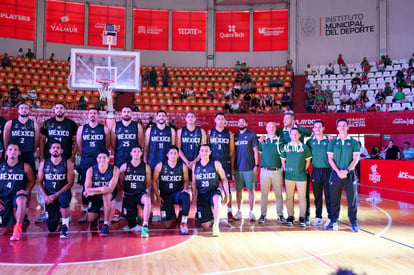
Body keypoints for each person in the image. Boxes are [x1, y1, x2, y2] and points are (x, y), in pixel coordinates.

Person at [37, 102, 77, 223]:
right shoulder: (47, 123)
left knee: (65, 184)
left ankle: (64, 212)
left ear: (65, 109)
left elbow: (77, 141)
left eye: (61, 108)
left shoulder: (71, 124)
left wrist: (73, 156)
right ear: (54, 110)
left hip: (65, 159)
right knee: (46, 184)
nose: (59, 110)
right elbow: (42, 140)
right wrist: (42, 156)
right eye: (57, 108)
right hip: (50, 160)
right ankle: (46, 211)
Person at [76, 108, 110, 223]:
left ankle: (98, 210)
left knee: (99, 184)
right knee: (85, 186)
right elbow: (79, 144)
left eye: (94, 113)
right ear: (87, 115)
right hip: (86, 160)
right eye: (90, 113)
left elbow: (107, 144)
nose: (92, 115)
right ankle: (85, 211)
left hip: (99, 162)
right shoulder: (82, 128)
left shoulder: (104, 129)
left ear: (98, 115)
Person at [111, 105, 144, 221]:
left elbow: (140, 144)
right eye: (124, 111)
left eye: (128, 112)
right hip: (120, 159)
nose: (126, 113)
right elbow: (114, 144)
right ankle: (118, 211)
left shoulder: (137, 126)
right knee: (119, 186)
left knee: (135, 186)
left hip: (134, 160)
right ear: (121, 113)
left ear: (131, 114)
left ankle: (136, 211)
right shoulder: (116, 125)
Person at [326, 118, 360, 232]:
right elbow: (330, 159)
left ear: (348, 127)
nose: (342, 127)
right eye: (340, 125)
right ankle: (333, 220)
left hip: (349, 174)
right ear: (337, 128)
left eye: (344, 125)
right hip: (336, 174)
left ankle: (354, 222)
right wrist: (338, 171)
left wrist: (346, 170)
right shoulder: (332, 142)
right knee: (334, 198)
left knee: (352, 199)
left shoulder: (354, 142)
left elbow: (355, 159)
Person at [37, 142, 74, 238]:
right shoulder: (43, 163)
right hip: (49, 195)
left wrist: (57, 194)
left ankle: (65, 226)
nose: (55, 149)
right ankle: (57, 215)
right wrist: (45, 196)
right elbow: (39, 183)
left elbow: (70, 183)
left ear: (62, 151)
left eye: (58, 148)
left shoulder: (67, 163)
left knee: (63, 198)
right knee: (52, 228)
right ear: (50, 151)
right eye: (53, 147)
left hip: (62, 192)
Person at [192, 144, 229, 236]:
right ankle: (211, 216)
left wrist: (227, 194)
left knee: (217, 200)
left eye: (206, 150)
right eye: (202, 150)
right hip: (202, 194)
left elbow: (224, 179)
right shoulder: (195, 166)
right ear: (199, 152)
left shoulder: (215, 163)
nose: (204, 152)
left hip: (213, 191)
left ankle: (216, 226)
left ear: (210, 152)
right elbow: (193, 184)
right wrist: (194, 199)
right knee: (205, 226)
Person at [0, 144, 35, 241]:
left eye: (15, 150)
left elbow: (32, 180)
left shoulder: (25, 167)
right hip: (3, 198)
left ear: (19, 153)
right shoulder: (1, 165)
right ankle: (11, 221)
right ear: (6, 152)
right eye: (10, 149)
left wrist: (26, 191)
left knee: (22, 199)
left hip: (16, 196)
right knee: (3, 230)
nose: (13, 151)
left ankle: (17, 229)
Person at [152, 146, 190, 235]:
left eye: (175, 153)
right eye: (171, 153)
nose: (173, 155)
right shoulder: (160, 165)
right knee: (168, 225)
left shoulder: (182, 166)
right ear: (167, 155)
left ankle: (184, 223)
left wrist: (185, 189)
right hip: (165, 194)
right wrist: (157, 195)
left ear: (178, 155)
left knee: (186, 196)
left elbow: (187, 180)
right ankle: (173, 215)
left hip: (177, 194)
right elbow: (154, 180)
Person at [83, 149, 119, 237]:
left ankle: (106, 224)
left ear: (108, 159)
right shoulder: (91, 170)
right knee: (90, 219)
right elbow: (87, 188)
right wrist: (101, 189)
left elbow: (110, 189)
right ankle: (97, 215)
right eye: (99, 157)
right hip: (95, 194)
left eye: (104, 157)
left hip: (108, 193)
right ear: (96, 159)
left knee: (106, 196)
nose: (102, 159)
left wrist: (94, 190)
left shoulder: (114, 169)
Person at [281, 128, 312, 228]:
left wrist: (302, 170)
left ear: (299, 135)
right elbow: (283, 161)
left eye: (296, 134)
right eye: (292, 134)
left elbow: (308, 161)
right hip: (289, 177)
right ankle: (290, 216)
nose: (294, 136)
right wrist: (288, 170)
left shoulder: (304, 147)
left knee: (302, 198)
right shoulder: (285, 147)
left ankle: (302, 218)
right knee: (289, 197)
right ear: (290, 135)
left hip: (301, 176)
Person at [119, 145, 152, 237]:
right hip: (129, 195)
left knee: (147, 199)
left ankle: (145, 225)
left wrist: (140, 188)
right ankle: (135, 215)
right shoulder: (125, 166)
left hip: (140, 194)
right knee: (131, 225)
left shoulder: (146, 167)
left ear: (141, 153)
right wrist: (127, 190)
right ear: (131, 153)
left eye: (138, 151)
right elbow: (121, 181)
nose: (136, 153)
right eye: (134, 151)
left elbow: (148, 182)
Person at [208, 113, 235, 221]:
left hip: (225, 164)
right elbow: (207, 148)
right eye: (218, 119)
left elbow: (232, 151)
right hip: (213, 164)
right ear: (215, 120)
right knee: (211, 188)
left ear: (225, 121)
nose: (220, 120)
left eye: (222, 119)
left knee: (227, 188)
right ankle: (210, 211)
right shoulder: (210, 133)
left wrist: (231, 166)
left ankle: (229, 211)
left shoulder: (229, 134)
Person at [257, 122, 285, 224]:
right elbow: (259, 155)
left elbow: (283, 156)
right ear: (266, 128)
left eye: (273, 127)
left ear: (275, 128)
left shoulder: (280, 141)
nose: (271, 128)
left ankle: (280, 215)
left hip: (277, 171)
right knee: (264, 194)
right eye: (269, 126)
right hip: (264, 171)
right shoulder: (262, 141)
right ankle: (263, 215)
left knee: (278, 194)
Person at [306, 120, 332, 227]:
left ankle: (331, 218)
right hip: (315, 171)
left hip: (327, 171)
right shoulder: (309, 142)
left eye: (319, 127)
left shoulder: (330, 141)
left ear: (323, 128)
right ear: (313, 129)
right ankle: (318, 217)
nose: (317, 129)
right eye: (315, 127)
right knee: (317, 196)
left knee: (329, 196)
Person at [233, 117, 259, 221]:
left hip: (249, 168)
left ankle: (251, 211)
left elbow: (256, 151)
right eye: (239, 122)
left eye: (243, 121)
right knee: (238, 190)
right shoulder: (234, 137)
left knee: (250, 190)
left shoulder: (252, 135)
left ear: (246, 123)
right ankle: (239, 211)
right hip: (238, 168)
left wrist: (256, 165)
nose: (241, 123)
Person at [3, 103, 40, 172]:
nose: (24, 110)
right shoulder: (10, 123)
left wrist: (33, 151)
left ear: (29, 111)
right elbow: (5, 139)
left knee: (30, 176)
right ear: (18, 110)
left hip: (28, 152)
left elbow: (36, 141)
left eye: (26, 108)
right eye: (22, 108)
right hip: (13, 153)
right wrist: (7, 151)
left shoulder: (35, 125)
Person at [177, 112, 206, 183]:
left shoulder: (201, 131)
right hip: (184, 163)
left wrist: (194, 162)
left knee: (196, 186)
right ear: (185, 119)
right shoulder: (180, 131)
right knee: (183, 185)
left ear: (195, 119)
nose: (190, 118)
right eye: (189, 116)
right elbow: (178, 148)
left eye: (192, 116)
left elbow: (204, 150)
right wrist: (187, 162)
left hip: (198, 163)